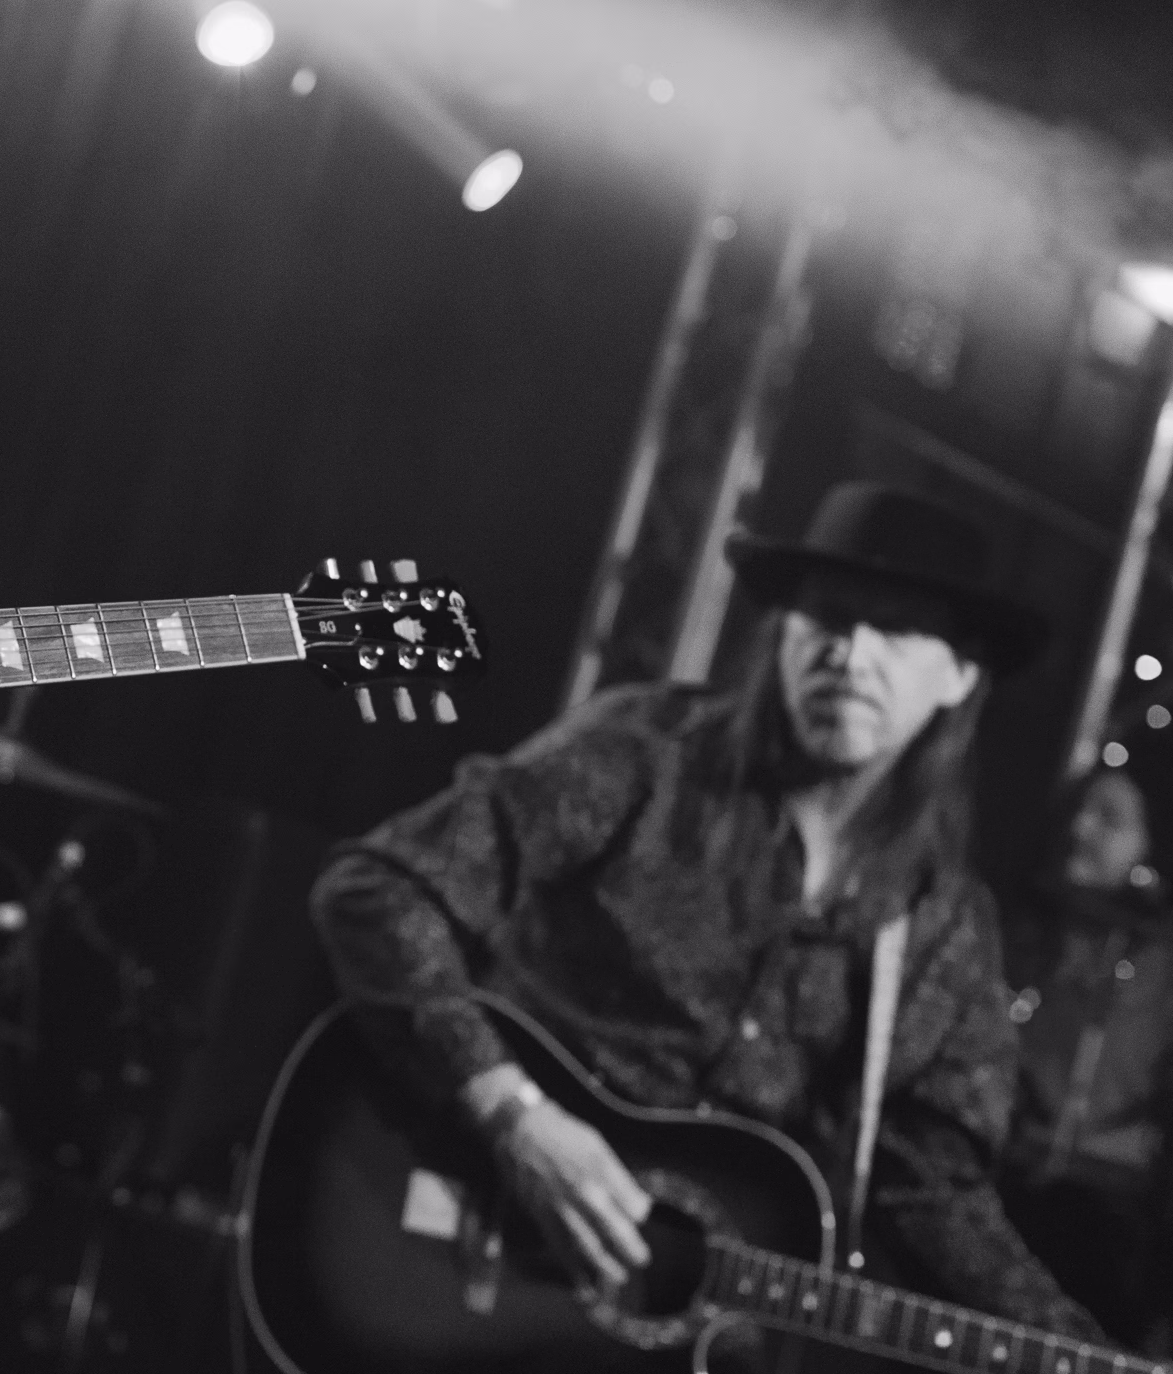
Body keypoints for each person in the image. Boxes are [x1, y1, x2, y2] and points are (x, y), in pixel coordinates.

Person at [310, 481, 1104, 1359]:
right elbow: (375, 890)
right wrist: (514, 1114)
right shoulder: (645, 756)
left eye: (897, 630)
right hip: (440, 1227)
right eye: (827, 616)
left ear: (960, 676)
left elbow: (936, 1194)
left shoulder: (943, 924)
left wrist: (1080, 1349)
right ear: (783, 631)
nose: (850, 654)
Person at [998, 768, 1173, 1348]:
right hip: (1002, 1192)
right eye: (1079, 810)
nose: (1081, 828)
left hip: (1113, 1219)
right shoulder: (1022, 928)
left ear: (1149, 843)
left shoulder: (1160, 961)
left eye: (1109, 819)